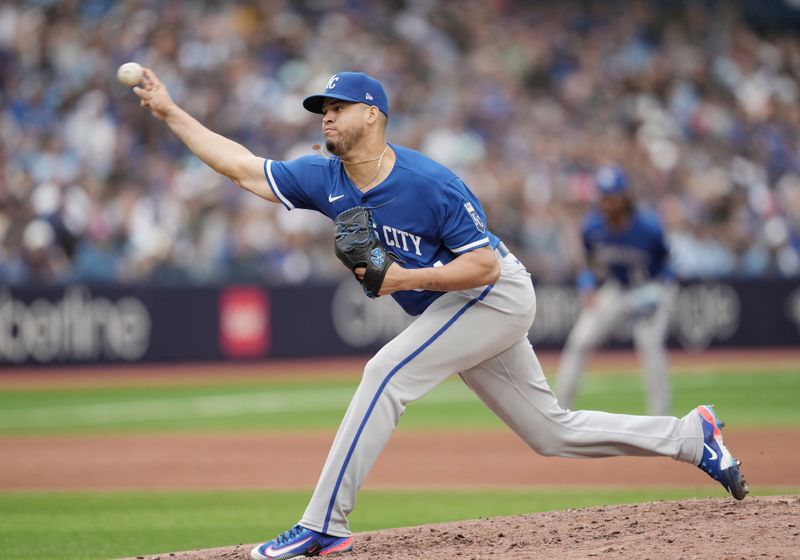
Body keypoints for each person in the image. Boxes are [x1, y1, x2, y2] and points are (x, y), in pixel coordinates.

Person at [132, 69, 748, 560]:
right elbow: (240, 166)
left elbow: (483, 266)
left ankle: (323, 524)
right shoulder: (325, 179)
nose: (326, 115)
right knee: (551, 432)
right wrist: (169, 111)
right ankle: (692, 436)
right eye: (322, 108)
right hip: (462, 306)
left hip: (495, 294)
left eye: (337, 106)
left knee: (384, 374)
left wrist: (406, 278)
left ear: (371, 113)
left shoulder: (430, 182)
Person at [555, 165, 676, 416]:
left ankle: (660, 417)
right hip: (618, 290)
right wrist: (587, 286)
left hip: (650, 290)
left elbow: (667, 266)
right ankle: (559, 411)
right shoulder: (593, 227)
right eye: (604, 196)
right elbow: (588, 265)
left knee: (650, 346)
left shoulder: (649, 228)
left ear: (625, 196)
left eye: (614, 196)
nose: (609, 202)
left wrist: (658, 293)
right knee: (580, 341)